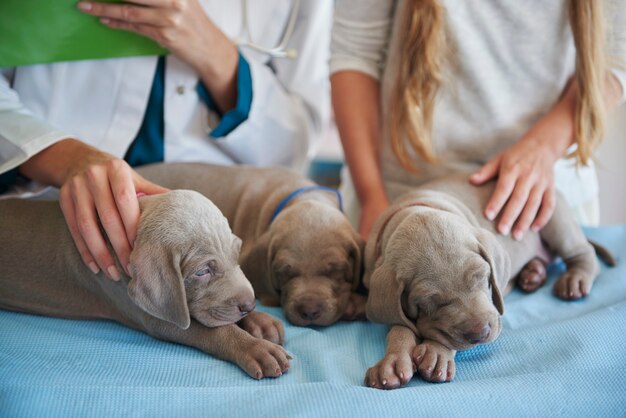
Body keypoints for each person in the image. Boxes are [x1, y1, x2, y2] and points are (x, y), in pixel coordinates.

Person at [0, 0, 332, 280]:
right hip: (46, 212)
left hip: (219, 238)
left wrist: (218, 57)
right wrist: (64, 157)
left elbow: (295, 146)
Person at [330, 0, 626, 240]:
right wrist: (372, 196)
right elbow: (355, 54)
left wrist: (543, 147)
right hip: (393, 196)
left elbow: (616, 58)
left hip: (542, 207)